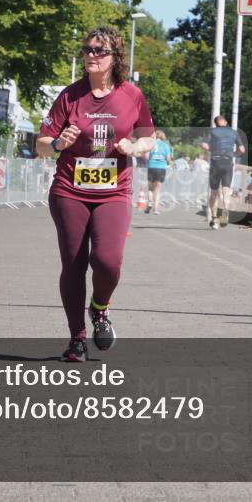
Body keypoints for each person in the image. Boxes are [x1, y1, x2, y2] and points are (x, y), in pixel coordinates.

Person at [37, 27, 155, 361]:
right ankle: (77, 339)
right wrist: (60, 142)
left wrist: (134, 145)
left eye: (99, 51)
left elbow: (149, 137)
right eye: (87, 49)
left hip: (113, 191)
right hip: (69, 191)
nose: (91, 55)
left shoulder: (132, 96)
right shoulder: (70, 96)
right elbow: (42, 145)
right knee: (73, 264)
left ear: (115, 57)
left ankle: (99, 308)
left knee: (107, 261)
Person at [200, 115, 245, 229]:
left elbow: (204, 145)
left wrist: (213, 149)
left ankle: (214, 219)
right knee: (226, 191)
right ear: (225, 122)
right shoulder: (234, 132)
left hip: (216, 163)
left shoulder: (213, 131)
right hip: (227, 162)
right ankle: (225, 213)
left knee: (214, 192)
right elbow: (242, 150)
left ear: (216, 123)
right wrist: (233, 155)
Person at [145, 130, 173, 215]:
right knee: (157, 190)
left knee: (150, 188)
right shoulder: (165, 146)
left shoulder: (151, 144)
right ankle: (156, 209)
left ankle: (150, 202)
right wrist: (168, 163)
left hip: (151, 166)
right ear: (162, 137)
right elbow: (168, 159)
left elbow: (147, 156)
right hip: (161, 168)